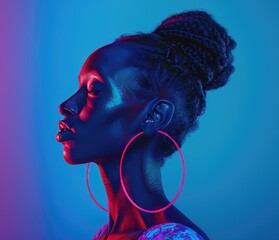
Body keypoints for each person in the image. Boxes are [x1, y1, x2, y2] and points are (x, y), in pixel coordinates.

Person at [56, 10, 235, 240]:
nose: (67, 105)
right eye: (80, 87)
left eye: (94, 90)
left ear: (154, 115)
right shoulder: (105, 234)